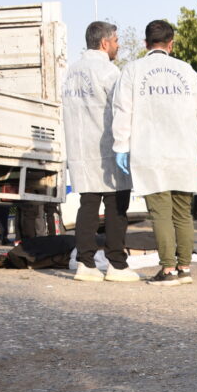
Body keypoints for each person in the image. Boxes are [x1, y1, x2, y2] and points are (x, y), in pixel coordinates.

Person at [112, 19, 197, 285]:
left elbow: (123, 110)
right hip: (184, 152)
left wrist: (121, 146)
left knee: (160, 213)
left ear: (145, 43)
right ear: (171, 44)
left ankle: (168, 270)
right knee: (183, 213)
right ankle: (184, 268)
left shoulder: (133, 70)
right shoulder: (186, 71)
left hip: (150, 153)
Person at [62, 21, 138, 283]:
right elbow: (123, 109)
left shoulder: (72, 72)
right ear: (104, 43)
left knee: (88, 206)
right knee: (116, 207)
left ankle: (86, 263)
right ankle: (117, 264)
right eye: (116, 40)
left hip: (81, 150)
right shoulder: (109, 72)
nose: (118, 45)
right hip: (107, 149)